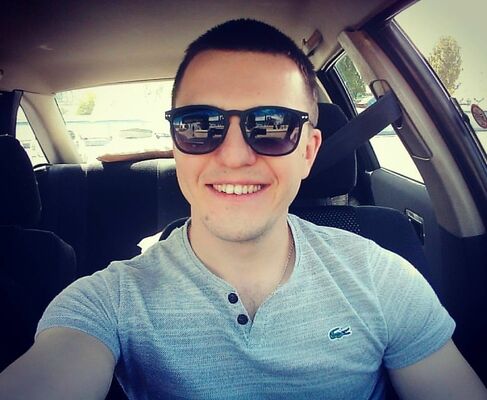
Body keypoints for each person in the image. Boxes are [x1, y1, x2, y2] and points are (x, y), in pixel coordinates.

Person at [0, 19, 486, 400]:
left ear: (309, 152)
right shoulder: (109, 301)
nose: (234, 156)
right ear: (177, 144)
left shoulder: (380, 277)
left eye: (271, 125)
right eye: (200, 125)